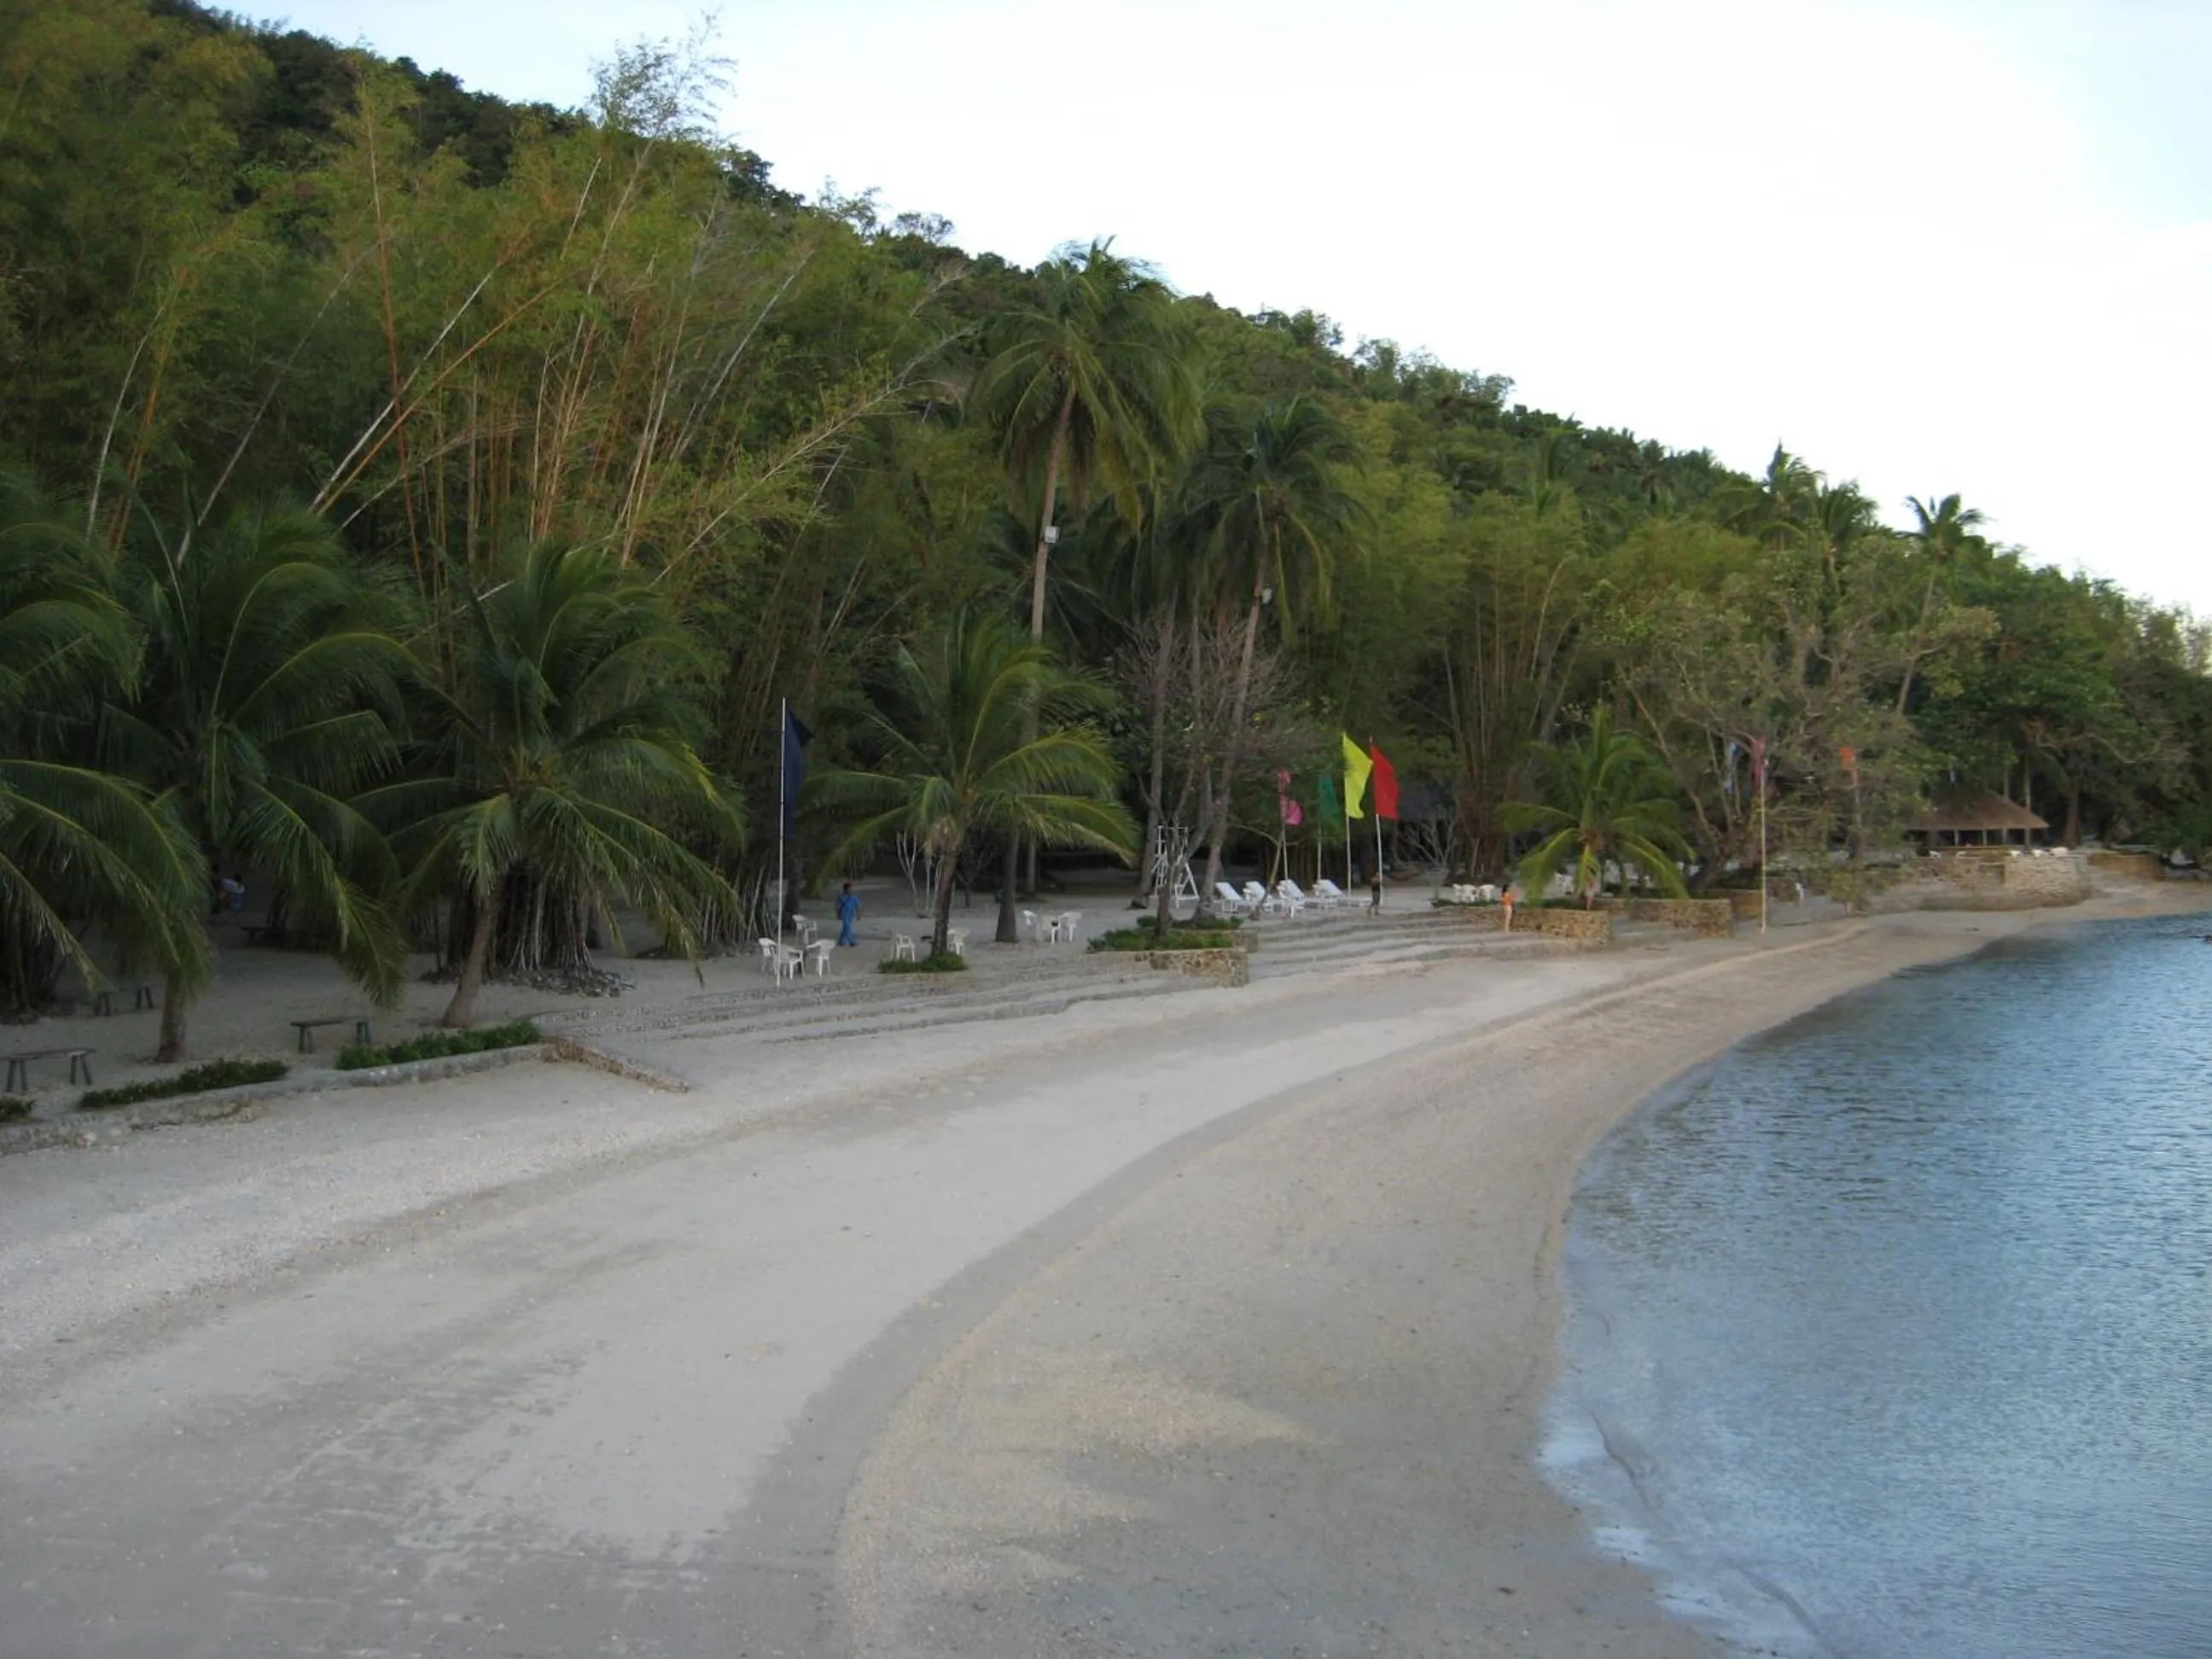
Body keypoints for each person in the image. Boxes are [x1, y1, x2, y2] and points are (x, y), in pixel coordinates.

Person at [835, 881, 861, 946]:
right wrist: (838, 914)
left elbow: (857, 906)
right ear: (846, 889)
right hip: (844, 913)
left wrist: (858, 914)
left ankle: (841, 941)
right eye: (849, 889)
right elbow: (837, 906)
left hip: (851, 914)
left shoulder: (853, 897)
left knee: (846, 927)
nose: (851, 890)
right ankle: (851, 941)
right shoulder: (841, 897)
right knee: (847, 926)